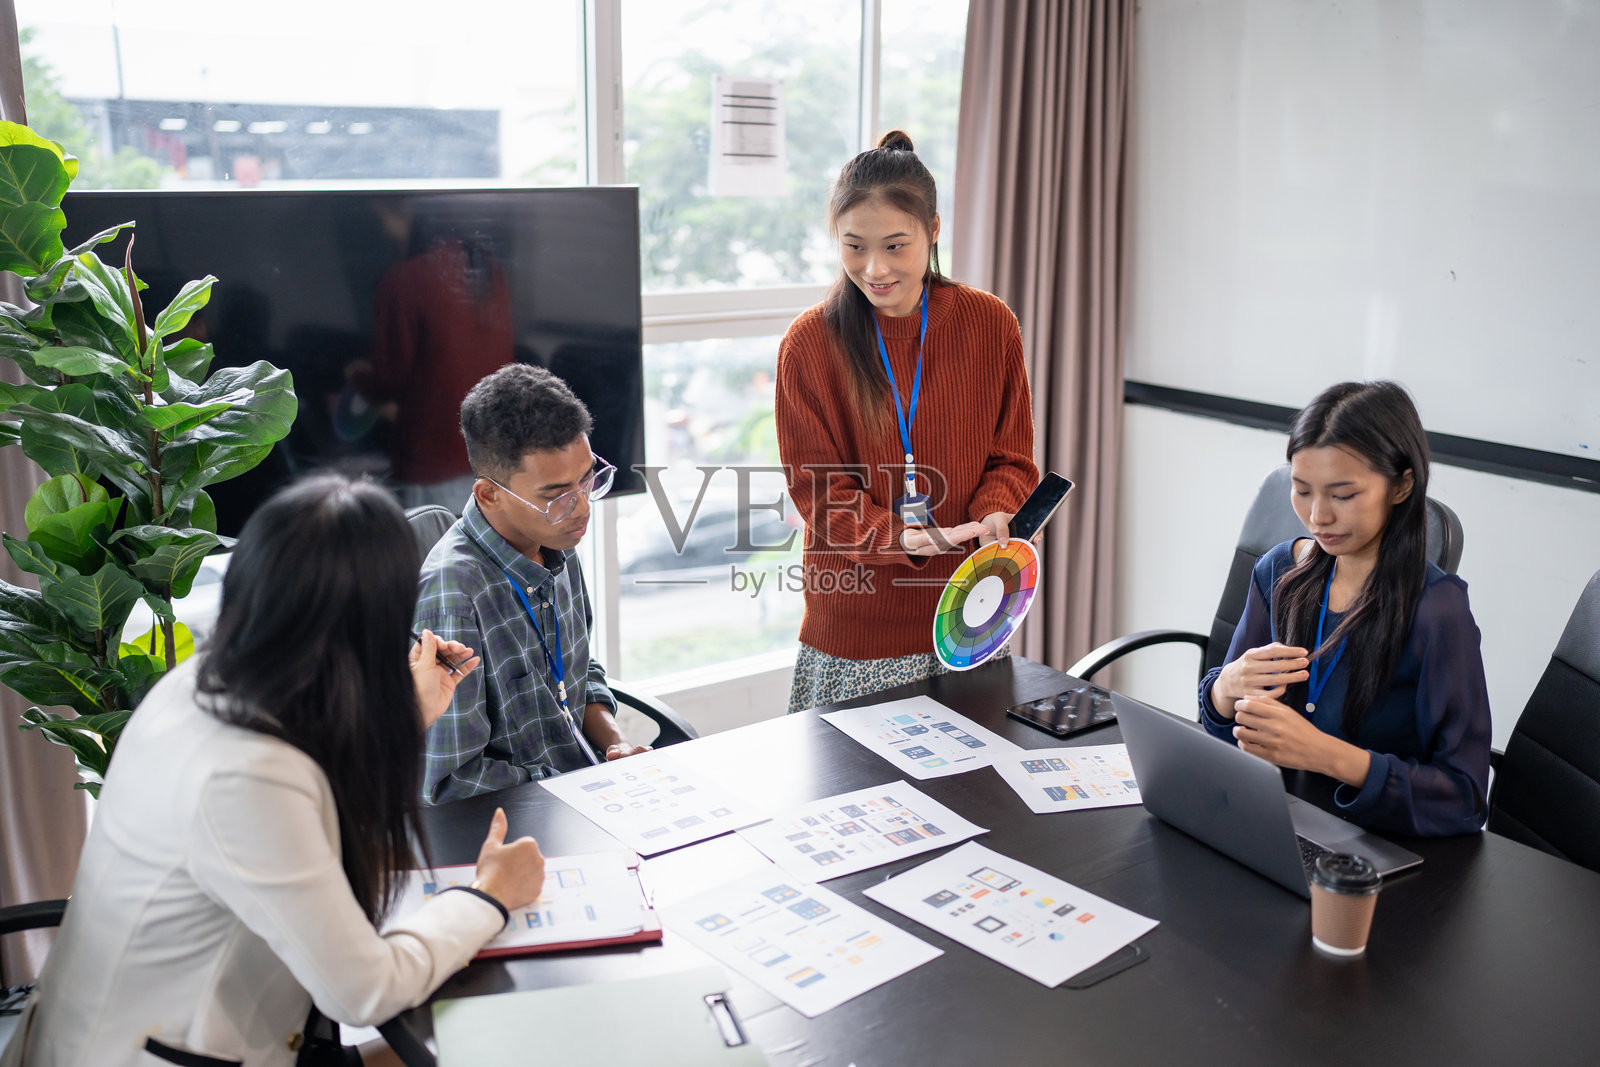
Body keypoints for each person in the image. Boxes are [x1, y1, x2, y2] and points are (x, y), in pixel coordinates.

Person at [1, 476, 546, 1067]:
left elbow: (311, 778)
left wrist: (408, 714)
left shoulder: (206, 681)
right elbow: (365, 991)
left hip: (207, 1022)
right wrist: (487, 897)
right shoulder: (243, 776)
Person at [775, 130, 1037, 714]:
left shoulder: (989, 324)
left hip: (970, 619)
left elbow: (1012, 456)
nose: (874, 269)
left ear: (933, 229)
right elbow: (820, 493)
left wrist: (997, 510)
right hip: (858, 633)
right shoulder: (809, 344)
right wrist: (899, 537)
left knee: (976, 773)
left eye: (896, 246)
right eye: (854, 247)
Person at [1200, 380, 1492, 837]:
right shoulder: (1278, 571)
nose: (1318, 516)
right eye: (1302, 490)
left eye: (1343, 495)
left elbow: (1464, 798)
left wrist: (1326, 755)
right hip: (1271, 823)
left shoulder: (1437, 609)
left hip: (1371, 847)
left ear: (1401, 486)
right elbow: (1225, 732)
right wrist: (1223, 691)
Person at [418, 363, 648, 804]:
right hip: (522, 820)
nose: (582, 508)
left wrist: (615, 746)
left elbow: (578, 673)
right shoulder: (455, 596)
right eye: (557, 495)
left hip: (586, 794)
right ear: (489, 495)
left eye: (587, 480)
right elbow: (451, 783)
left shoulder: (556, 538)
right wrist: (575, 787)